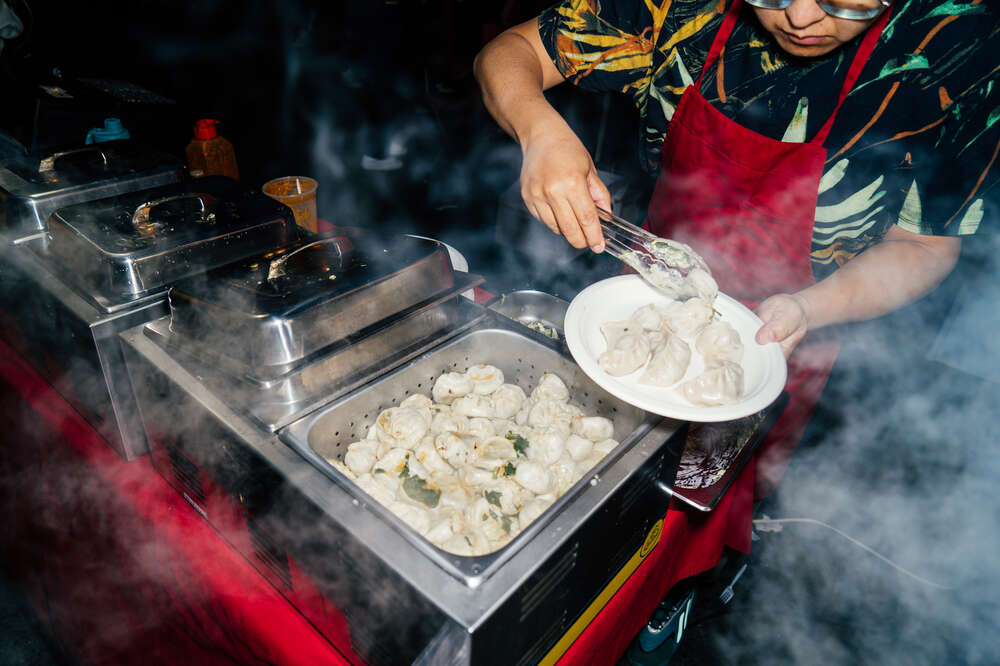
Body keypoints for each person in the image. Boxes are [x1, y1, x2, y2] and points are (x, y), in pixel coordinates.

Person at [474, 0, 999, 494]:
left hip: (796, 329)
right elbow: (509, 54)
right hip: (647, 291)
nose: (799, 17)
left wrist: (806, 309)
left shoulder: (958, 45)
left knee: (707, 500)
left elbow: (925, 248)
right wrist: (539, 130)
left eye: (842, 1)